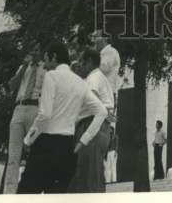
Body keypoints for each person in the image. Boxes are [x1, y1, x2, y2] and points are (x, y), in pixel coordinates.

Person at [18, 40, 106, 194]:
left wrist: (28, 139)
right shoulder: (80, 83)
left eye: (45, 59)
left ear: (53, 57)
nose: (45, 64)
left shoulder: (51, 76)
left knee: (26, 198)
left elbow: (45, 114)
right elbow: (102, 111)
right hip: (67, 147)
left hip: (46, 145)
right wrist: (83, 140)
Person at [70, 47, 113, 193]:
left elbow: (94, 104)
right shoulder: (100, 77)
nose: (79, 65)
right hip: (100, 126)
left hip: (91, 125)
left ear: (89, 62)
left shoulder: (93, 78)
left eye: (81, 61)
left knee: (89, 178)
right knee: (91, 174)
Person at [3, 45, 45, 194]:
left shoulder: (46, 68)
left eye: (36, 50)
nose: (33, 52)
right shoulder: (24, 67)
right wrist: (24, 66)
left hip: (35, 108)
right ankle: (10, 191)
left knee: (34, 152)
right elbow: (12, 85)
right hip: (19, 108)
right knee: (13, 155)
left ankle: (32, 189)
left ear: (41, 51)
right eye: (31, 50)